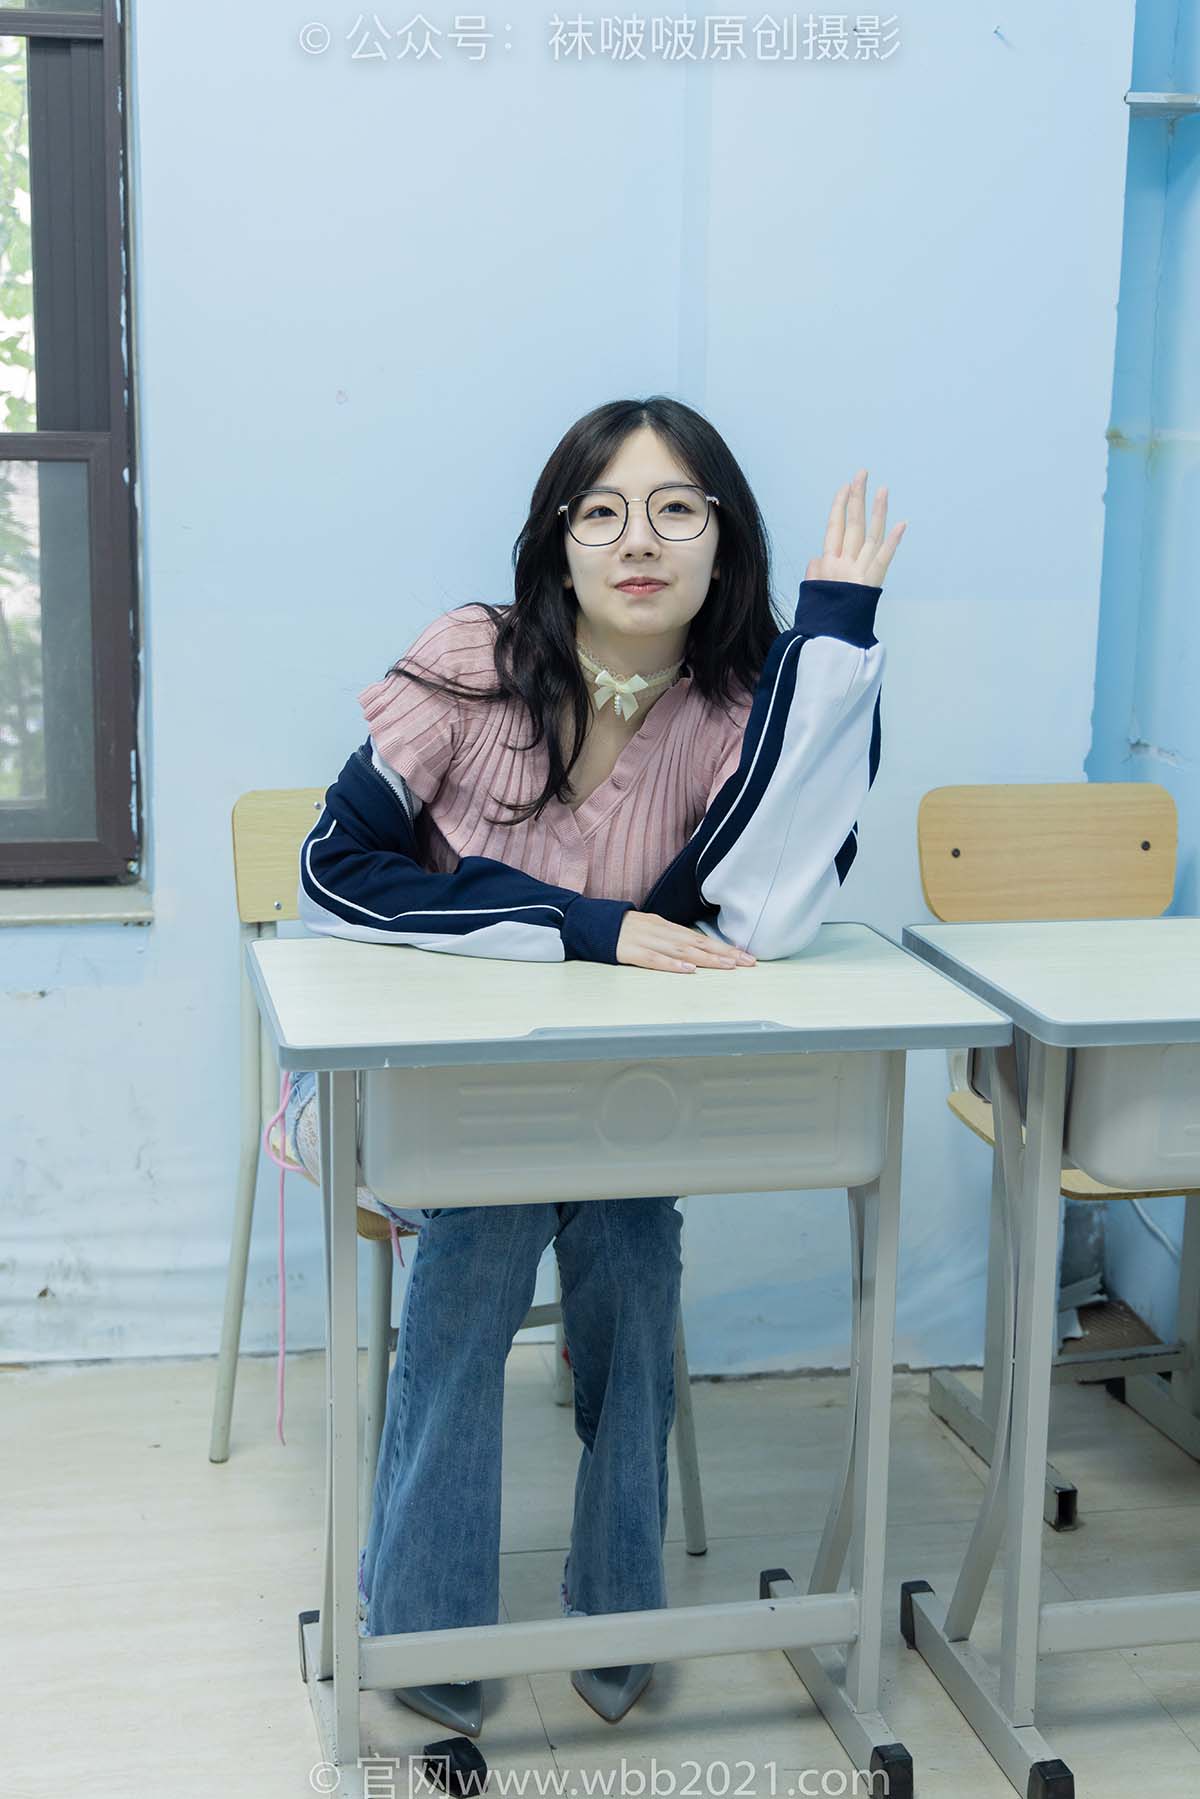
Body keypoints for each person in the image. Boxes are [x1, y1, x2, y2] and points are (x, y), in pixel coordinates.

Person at [286, 395, 904, 1737]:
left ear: (723, 545)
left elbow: (760, 911)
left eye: (678, 509)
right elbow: (335, 870)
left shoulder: (740, 708)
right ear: (557, 541)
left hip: (613, 1103)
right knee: (488, 1228)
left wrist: (831, 641)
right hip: (424, 1096)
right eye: (603, 511)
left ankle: (615, 1599)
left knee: (628, 1239)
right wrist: (585, 924)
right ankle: (426, 1620)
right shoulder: (473, 661)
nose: (639, 540)